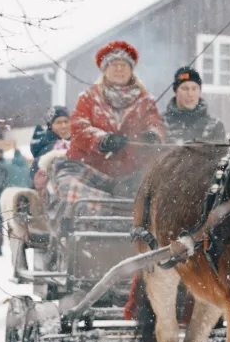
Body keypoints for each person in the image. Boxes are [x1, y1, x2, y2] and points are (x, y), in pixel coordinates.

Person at [52, 40, 165, 224]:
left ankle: (117, 219)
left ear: (131, 70)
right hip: (89, 170)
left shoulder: (145, 101)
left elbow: (155, 124)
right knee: (69, 188)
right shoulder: (88, 97)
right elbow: (79, 126)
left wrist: (152, 136)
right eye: (114, 65)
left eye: (124, 65)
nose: (119, 69)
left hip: (129, 176)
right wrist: (102, 140)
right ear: (105, 70)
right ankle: (95, 221)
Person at [162, 66, 225, 144]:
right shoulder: (160, 123)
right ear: (176, 90)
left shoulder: (214, 126)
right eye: (185, 89)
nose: (190, 94)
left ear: (200, 91)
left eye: (194, 89)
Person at [30, 105, 71, 191]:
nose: (63, 126)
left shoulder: (71, 144)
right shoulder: (51, 148)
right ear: (50, 126)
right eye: (58, 122)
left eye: (66, 121)